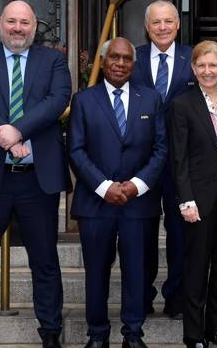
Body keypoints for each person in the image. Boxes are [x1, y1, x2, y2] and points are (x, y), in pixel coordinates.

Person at [0, 0, 71, 348]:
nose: (18, 28)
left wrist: (17, 131)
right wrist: (2, 132)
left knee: (45, 261)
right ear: (0, 24)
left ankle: (50, 331)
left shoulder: (53, 60)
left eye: (25, 22)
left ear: (35, 27)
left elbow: (57, 100)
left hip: (37, 179)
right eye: (12, 21)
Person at [69, 37, 167, 348]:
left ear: (133, 65)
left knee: (137, 272)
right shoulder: (83, 100)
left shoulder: (151, 99)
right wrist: (104, 186)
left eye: (126, 58)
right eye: (114, 57)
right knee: (96, 272)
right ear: (103, 60)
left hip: (139, 204)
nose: (120, 63)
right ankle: (97, 334)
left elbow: (161, 149)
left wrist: (135, 185)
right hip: (95, 204)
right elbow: (76, 150)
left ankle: (133, 333)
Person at [168, 40, 217, 348]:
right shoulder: (182, 104)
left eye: (214, 65)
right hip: (198, 194)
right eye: (202, 66)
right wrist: (185, 199)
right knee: (197, 265)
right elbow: (178, 157)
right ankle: (193, 335)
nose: (208, 71)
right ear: (194, 68)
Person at [131, 0, 197, 319]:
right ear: (147, 27)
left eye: (168, 21)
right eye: (156, 22)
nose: (162, 27)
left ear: (178, 24)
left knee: (180, 233)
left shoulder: (193, 59)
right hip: (141, 163)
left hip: (181, 163)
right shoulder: (132, 59)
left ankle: (177, 297)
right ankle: (142, 297)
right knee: (141, 232)